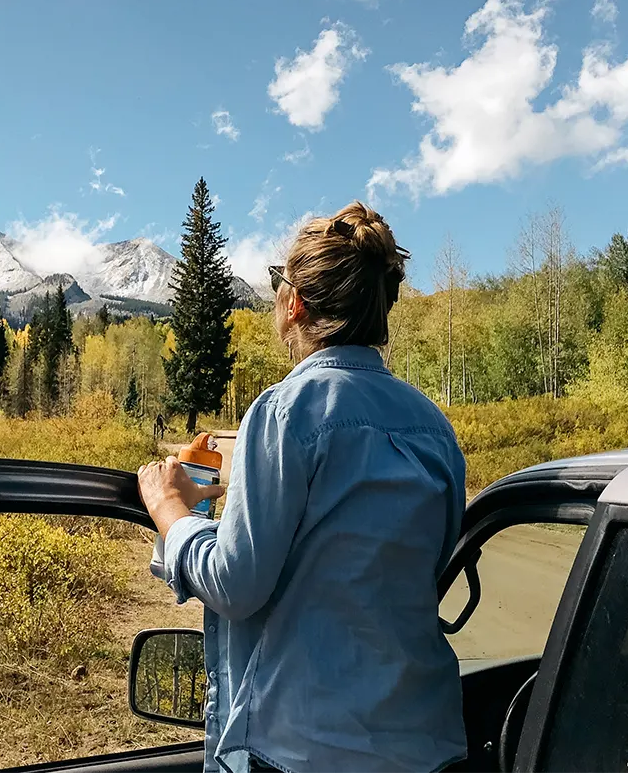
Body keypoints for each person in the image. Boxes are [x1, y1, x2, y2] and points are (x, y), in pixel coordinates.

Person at [138, 202, 468, 773]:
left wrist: (171, 509)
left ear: (294, 302)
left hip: (309, 749)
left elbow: (236, 584)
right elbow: (417, 573)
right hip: (427, 744)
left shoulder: (285, 412)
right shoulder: (434, 428)